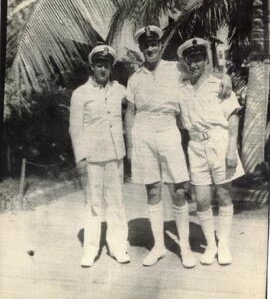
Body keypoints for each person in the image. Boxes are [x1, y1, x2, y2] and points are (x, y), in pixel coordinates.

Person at [125, 25, 232, 268]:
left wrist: (224, 75)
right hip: (142, 131)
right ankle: (159, 246)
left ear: (160, 46)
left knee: (179, 190)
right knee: (152, 190)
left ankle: (184, 247)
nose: (150, 48)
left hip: (168, 129)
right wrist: (130, 146)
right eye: (145, 45)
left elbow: (203, 71)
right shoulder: (134, 78)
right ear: (141, 49)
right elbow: (130, 112)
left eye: (154, 44)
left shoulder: (176, 68)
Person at [177, 38, 244, 265]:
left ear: (206, 60)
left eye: (198, 59)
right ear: (185, 62)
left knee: (224, 194)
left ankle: (223, 244)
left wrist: (232, 150)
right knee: (202, 199)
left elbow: (233, 116)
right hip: (195, 147)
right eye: (190, 60)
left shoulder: (219, 85)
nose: (194, 64)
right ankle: (211, 245)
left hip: (219, 142)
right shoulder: (181, 88)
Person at [69, 45, 130, 267]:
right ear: (91, 67)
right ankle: (90, 250)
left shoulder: (119, 90)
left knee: (116, 203)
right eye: (99, 65)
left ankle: (118, 247)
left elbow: (138, 98)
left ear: (111, 68)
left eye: (107, 65)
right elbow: (75, 129)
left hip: (115, 155)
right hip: (92, 157)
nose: (103, 69)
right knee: (93, 204)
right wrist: (80, 159)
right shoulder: (80, 94)